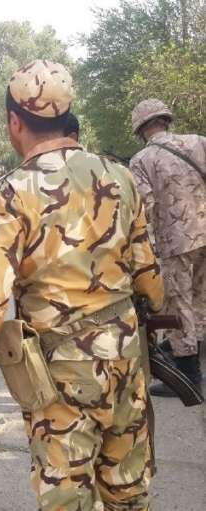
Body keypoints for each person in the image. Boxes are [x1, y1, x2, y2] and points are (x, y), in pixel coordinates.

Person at [0, 60, 164, 510]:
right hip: (124, 357)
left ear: (13, 120)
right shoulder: (118, 176)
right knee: (129, 489)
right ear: (67, 114)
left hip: (60, 372)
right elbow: (149, 274)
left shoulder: (14, 190)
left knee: (65, 494)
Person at [129, 99, 206, 395]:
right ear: (165, 120)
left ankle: (189, 379)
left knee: (180, 304)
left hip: (177, 242)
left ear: (141, 128)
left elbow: (144, 208)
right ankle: (189, 357)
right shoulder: (198, 142)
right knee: (199, 299)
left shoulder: (141, 160)